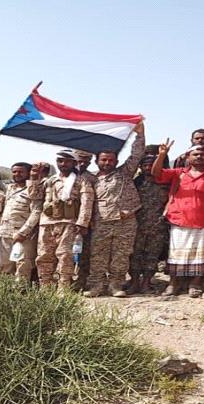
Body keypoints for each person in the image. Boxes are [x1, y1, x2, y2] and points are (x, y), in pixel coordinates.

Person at [152, 141, 204, 298]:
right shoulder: (178, 173)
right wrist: (161, 155)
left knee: (200, 255)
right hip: (179, 220)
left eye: (203, 154)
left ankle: (195, 283)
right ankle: (173, 283)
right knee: (176, 254)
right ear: (188, 157)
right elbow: (156, 174)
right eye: (195, 154)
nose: (199, 157)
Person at [83, 122, 146, 298]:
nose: (107, 163)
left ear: (116, 161)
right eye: (103, 160)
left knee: (121, 255)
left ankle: (115, 285)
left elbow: (136, 155)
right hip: (101, 222)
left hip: (125, 222)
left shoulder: (124, 173)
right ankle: (96, 286)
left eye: (111, 160)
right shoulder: (90, 178)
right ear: (97, 161)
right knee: (98, 256)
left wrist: (140, 135)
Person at [29, 151, 94, 290]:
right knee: (44, 256)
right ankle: (45, 287)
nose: (63, 164)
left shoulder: (81, 181)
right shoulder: (50, 180)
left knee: (65, 256)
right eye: (60, 161)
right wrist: (34, 177)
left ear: (74, 163)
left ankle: (63, 287)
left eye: (67, 161)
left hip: (69, 223)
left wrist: (83, 223)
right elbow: (35, 196)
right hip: (47, 223)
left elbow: (87, 203)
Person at [127, 154, 170, 294]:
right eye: (144, 165)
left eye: (151, 165)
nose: (147, 168)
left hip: (158, 225)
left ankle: (146, 283)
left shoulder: (165, 182)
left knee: (153, 255)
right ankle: (134, 282)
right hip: (137, 225)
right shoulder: (137, 182)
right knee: (135, 254)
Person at [0, 162, 42, 281]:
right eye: (14, 172)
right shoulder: (10, 188)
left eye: (21, 172)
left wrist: (23, 232)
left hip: (24, 235)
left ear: (28, 173)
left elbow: (36, 211)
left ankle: (20, 291)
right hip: (6, 233)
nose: (17, 174)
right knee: (5, 266)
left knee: (22, 266)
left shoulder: (33, 188)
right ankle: (5, 290)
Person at [71, 150, 98, 290]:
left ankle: (81, 280)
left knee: (84, 253)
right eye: (78, 161)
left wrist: (86, 222)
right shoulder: (66, 176)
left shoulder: (92, 179)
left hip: (85, 223)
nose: (81, 164)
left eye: (85, 162)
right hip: (65, 221)